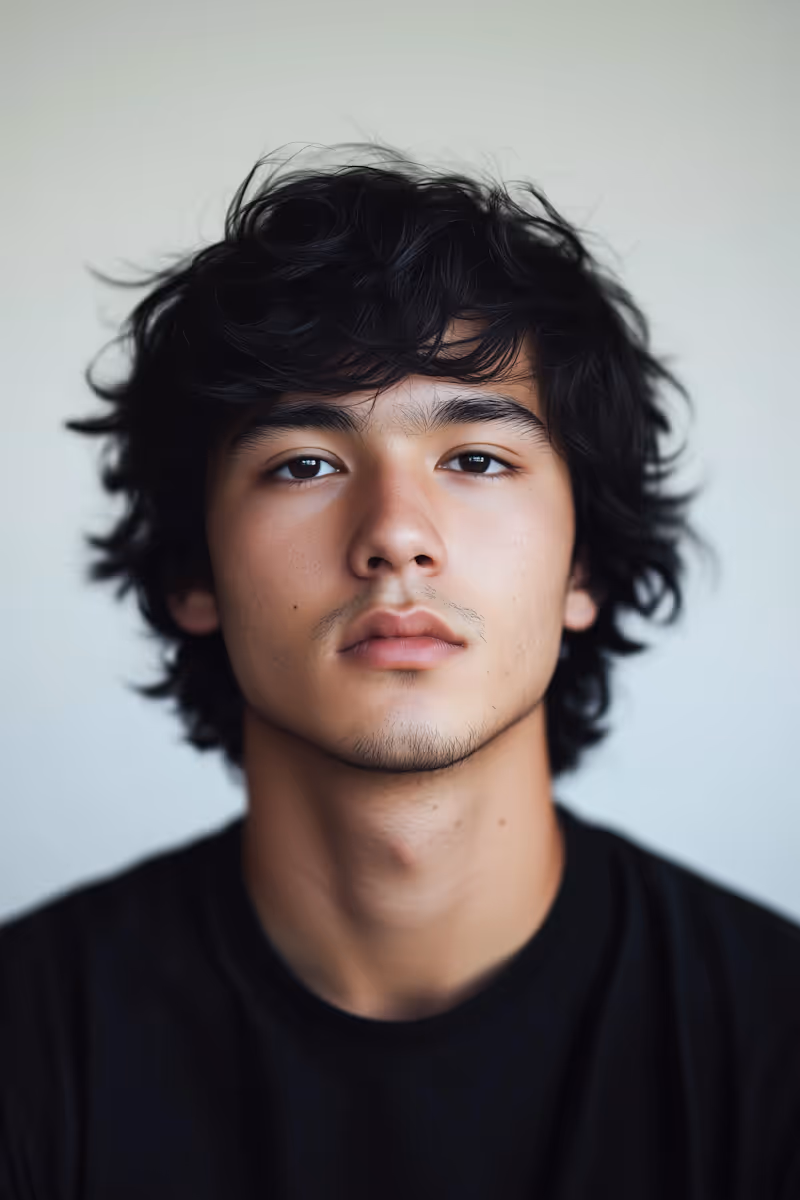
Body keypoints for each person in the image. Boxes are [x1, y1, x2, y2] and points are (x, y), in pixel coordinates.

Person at [1, 144, 798, 1200]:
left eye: (474, 459)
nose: (394, 537)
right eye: (303, 464)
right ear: (193, 570)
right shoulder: (28, 1040)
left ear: (584, 563)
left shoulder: (771, 1036)